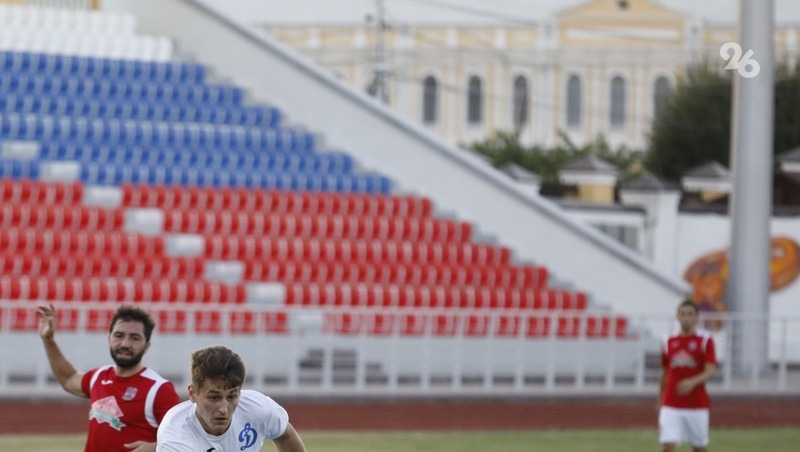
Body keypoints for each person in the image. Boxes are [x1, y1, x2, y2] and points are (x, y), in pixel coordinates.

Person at [38, 304, 181, 452]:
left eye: (135, 338)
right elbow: (68, 379)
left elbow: (183, 439)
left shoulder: (158, 389)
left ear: (147, 346)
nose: (125, 344)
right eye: (119, 336)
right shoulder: (99, 376)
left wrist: (155, 448)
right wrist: (48, 340)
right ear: (109, 339)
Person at [157, 345, 306, 452]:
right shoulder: (175, 437)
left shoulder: (258, 409)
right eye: (214, 397)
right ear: (193, 393)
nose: (223, 408)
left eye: (232, 397)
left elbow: (285, 435)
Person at [658, 298, 718, 452]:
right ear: (677, 317)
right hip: (671, 403)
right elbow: (664, 371)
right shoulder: (668, 341)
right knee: (668, 445)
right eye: (683, 314)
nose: (686, 318)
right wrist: (661, 398)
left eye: (690, 314)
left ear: (697, 318)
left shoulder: (705, 341)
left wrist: (692, 382)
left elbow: (710, 369)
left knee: (699, 447)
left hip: (697, 404)